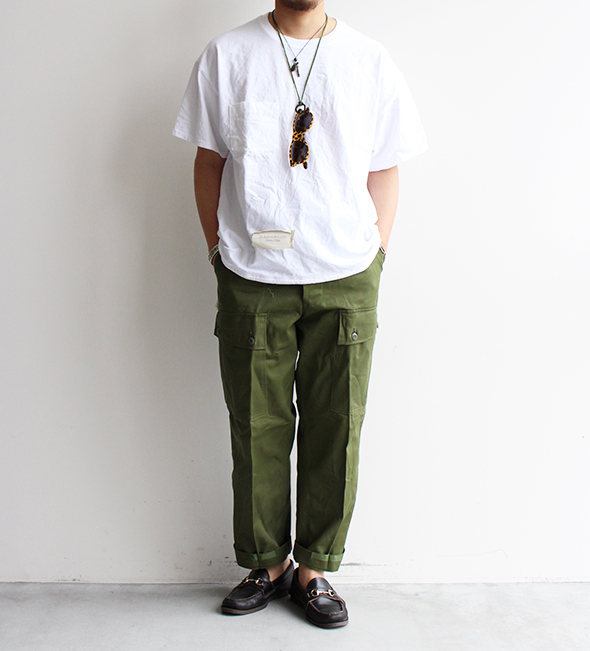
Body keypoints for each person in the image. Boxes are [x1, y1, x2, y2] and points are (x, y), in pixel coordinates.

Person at [173, 0, 427, 629]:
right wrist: (218, 251)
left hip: (346, 274)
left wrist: (376, 256)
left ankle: (315, 568)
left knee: (337, 424)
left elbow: (385, 167)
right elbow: (209, 163)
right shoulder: (227, 56)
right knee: (255, 425)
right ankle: (266, 563)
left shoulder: (369, 60)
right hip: (253, 276)